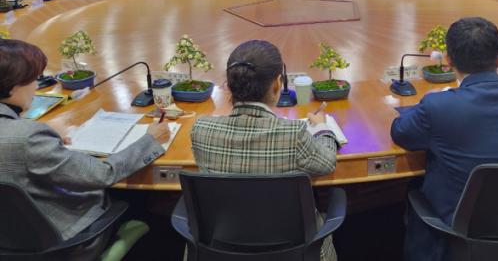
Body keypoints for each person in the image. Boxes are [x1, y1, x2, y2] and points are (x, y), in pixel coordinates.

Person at [391, 17, 498, 261]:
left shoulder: (439, 106)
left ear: (449, 60)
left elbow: (400, 132)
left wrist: (432, 102)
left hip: (459, 234)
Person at [0, 39, 170, 245]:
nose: (37, 86)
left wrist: (45, 142)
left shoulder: (25, 135)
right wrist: (151, 140)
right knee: (132, 194)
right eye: (32, 79)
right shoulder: (28, 138)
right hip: (66, 237)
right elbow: (103, 174)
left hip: (9, 237)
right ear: (12, 86)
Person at [191, 40, 338, 260]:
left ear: (229, 86)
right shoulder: (294, 134)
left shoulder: (201, 130)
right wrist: (322, 129)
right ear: (278, 85)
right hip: (295, 252)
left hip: (219, 248)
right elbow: (327, 163)